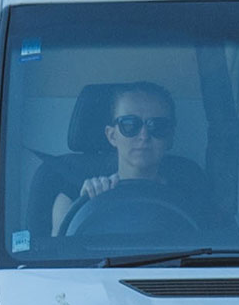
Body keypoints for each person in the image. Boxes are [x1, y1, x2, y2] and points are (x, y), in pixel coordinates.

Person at [51, 82, 195, 234]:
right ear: (112, 135)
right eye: (130, 124)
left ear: (170, 137)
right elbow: (57, 256)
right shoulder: (70, 197)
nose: (144, 136)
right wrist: (82, 209)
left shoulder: (190, 198)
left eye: (157, 126)